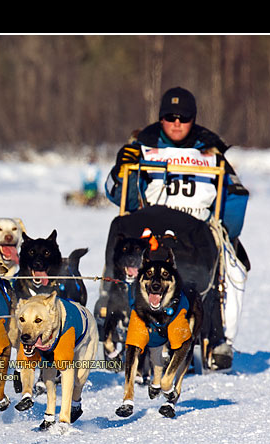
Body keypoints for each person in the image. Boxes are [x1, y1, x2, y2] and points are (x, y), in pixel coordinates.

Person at [103, 86, 249, 369]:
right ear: (161, 118)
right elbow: (118, 196)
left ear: (193, 119)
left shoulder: (211, 150)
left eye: (183, 117)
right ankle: (113, 312)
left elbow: (234, 196)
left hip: (197, 227)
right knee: (120, 230)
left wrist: (227, 231)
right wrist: (122, 171)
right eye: (170, 117)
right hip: (151, 224)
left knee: (236, 264)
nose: (177, 123)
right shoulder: (141, 147)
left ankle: (221, 339)